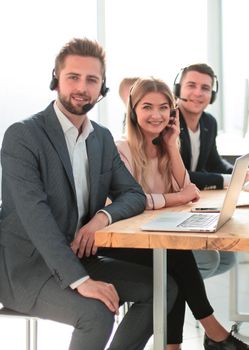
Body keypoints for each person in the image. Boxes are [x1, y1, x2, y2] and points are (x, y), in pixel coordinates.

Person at [0, 38, 177, 350]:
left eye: (91, 80)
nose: (82, 87)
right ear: (56, 79)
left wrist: (101, 218)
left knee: (165, 289)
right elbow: (35, 217)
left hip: (80, 256)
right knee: (97, 313)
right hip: (27, 270)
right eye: (73, 77)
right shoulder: (23, 136)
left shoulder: (102, 138)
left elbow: (133, 194)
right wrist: (81, 282)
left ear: (102, 87)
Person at [99, 76, 249, 350]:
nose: (156, 115)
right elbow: (128, 201)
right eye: (147, 107)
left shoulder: (165, 149)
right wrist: (175, 198)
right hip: (118, 242)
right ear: (133, 110)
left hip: (150, 238)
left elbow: (189, 191)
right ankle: (215, 334)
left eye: (164, 108)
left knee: (173, 260)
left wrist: (172, 146)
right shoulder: (120, 148)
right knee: (174, 253)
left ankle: (179, 346)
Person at [175, 63, 249, 278]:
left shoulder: (208, 122)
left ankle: (178, 284)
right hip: (173, 203)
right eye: (191, 85)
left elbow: (213, 162)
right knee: (209, 260)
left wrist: (238, 173)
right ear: (178, 89)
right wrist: (227, 179)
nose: (197, 93)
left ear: (212, 94)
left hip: (192, 203)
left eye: (205, 88)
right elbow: (179, 175)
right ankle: (174, 290)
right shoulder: (170, 121)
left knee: (228, 258)